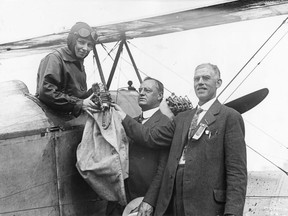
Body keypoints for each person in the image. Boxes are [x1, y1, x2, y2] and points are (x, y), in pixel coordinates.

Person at [114, 63, 247, 216]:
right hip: (173, 202)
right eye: (197, 79)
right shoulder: (182, 118)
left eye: (206, 78)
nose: (200, 82)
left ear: (218, 83)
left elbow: (237, 172)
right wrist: (123, 116)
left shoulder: (229, 117)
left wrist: (232, 213)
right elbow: (150, 137)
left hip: (206, 206)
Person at [106, 77, 171, 216]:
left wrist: (149, 200)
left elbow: (162, 169)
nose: (141, 93)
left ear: (160, 96)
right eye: (140, 89)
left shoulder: (166, 124)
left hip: (145, 201)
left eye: (147, 90)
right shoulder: (133, 121)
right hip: (124, 198)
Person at [36, 22, 98, 117]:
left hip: (69, 118)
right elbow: (46, 93)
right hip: (53, 120)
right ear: (72, 41)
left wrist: (92, 93)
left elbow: (75, 96)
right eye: (81, 42)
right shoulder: (55, 59)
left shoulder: (77, 61)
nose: (85, 48)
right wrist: (80, 104)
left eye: (89, 45)